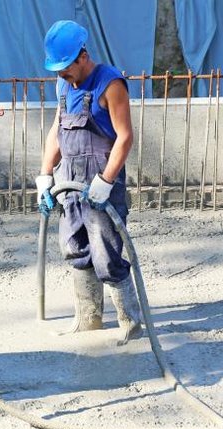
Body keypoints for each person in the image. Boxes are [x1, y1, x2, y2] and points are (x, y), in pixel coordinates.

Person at [35, 19, 143, 345]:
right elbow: (58, 130)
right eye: (57, 70)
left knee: (106, 252)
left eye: (65, 68)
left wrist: (106, 180)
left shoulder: (110, 85)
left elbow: (125, 137)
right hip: (69, 179)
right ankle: (89, 319)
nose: (61, 75)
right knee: (75, 247)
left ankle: (130, 322)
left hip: (100, 180)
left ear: (83, 56)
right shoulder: (63, 86)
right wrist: (45, 174)